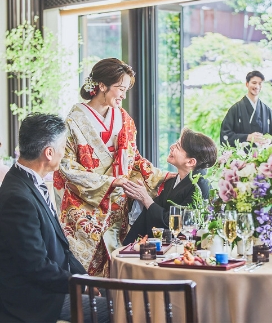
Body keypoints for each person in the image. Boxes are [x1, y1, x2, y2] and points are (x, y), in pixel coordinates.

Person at [54, 58, 169, 276]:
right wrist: (110, 181)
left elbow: (133, 158)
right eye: (120, 89)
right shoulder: (73, 121)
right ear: (102, 86)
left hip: (117, 206)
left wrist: (161, 176)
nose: (123, 95)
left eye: (126, 89)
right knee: (84, 277)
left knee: (117, 268)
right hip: (86, 206)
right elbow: (66, 166)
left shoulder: (124, 119)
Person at [0, 113, 108, 323]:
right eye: (63, 146)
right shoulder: (17, 197)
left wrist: (86, 279)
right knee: (120, 307)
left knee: (121, 293)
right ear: (49, 153)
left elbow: (63, 250)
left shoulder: (28, 182)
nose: (65, 152)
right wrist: (82, 285)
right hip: (35, 299)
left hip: (51, 286)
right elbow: (36, 266)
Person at [123, 128, 217, 245]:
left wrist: (146, 199)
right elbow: (154, 210)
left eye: (178, 146)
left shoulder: (201, 186)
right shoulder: (172, 181)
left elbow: (179, 223)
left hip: (185, 247)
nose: (171, 147)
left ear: (191, 162)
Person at [220, 70, 272, 148]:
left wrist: (269, 140)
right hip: (241, 157)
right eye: (254, 83)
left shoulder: (267, 110)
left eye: (260, 83)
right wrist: (247, 137)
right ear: (247, 84)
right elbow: (225, 135)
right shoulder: (235, 109)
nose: (257, 86)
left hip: (264, 157)